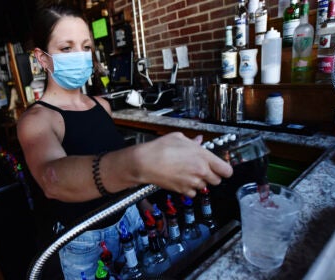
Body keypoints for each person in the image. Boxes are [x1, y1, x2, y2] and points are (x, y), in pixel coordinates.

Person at [17, 4, 233, 279]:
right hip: (84, 243)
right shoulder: (38, 119)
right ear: (43, 58)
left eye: (86, 47)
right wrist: (139, 162)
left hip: (129, 222)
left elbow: (115, 163)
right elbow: (52, 178)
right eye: (67, 48)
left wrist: (144, 205)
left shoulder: (102, 105)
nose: (80, 56)